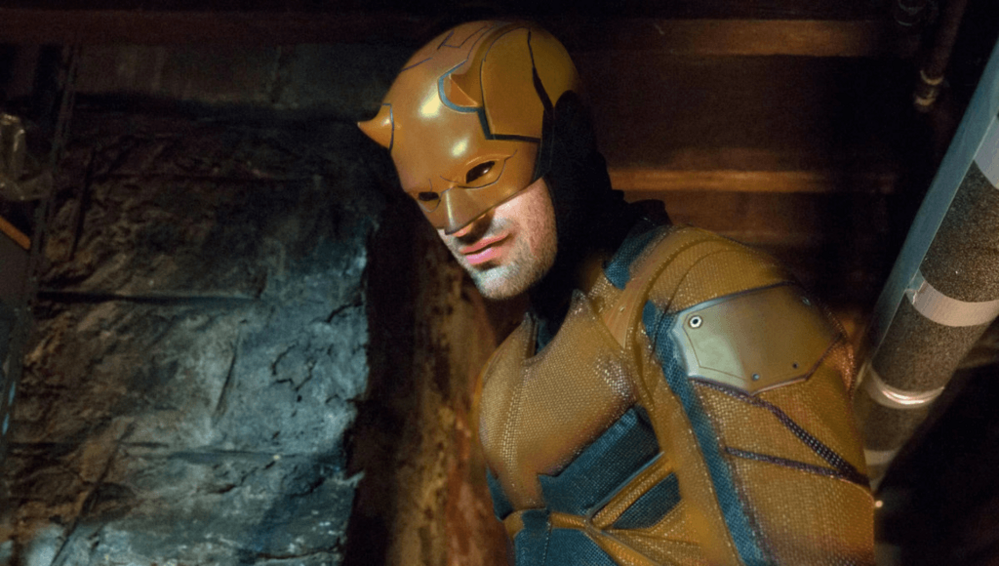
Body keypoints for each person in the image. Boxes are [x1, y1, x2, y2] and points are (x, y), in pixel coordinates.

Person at [360, 20, 874, 566]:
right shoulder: (504, 376)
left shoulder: (702, 289)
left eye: (482, 170)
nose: (459, 223)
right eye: (428, 195)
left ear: (568, 138)